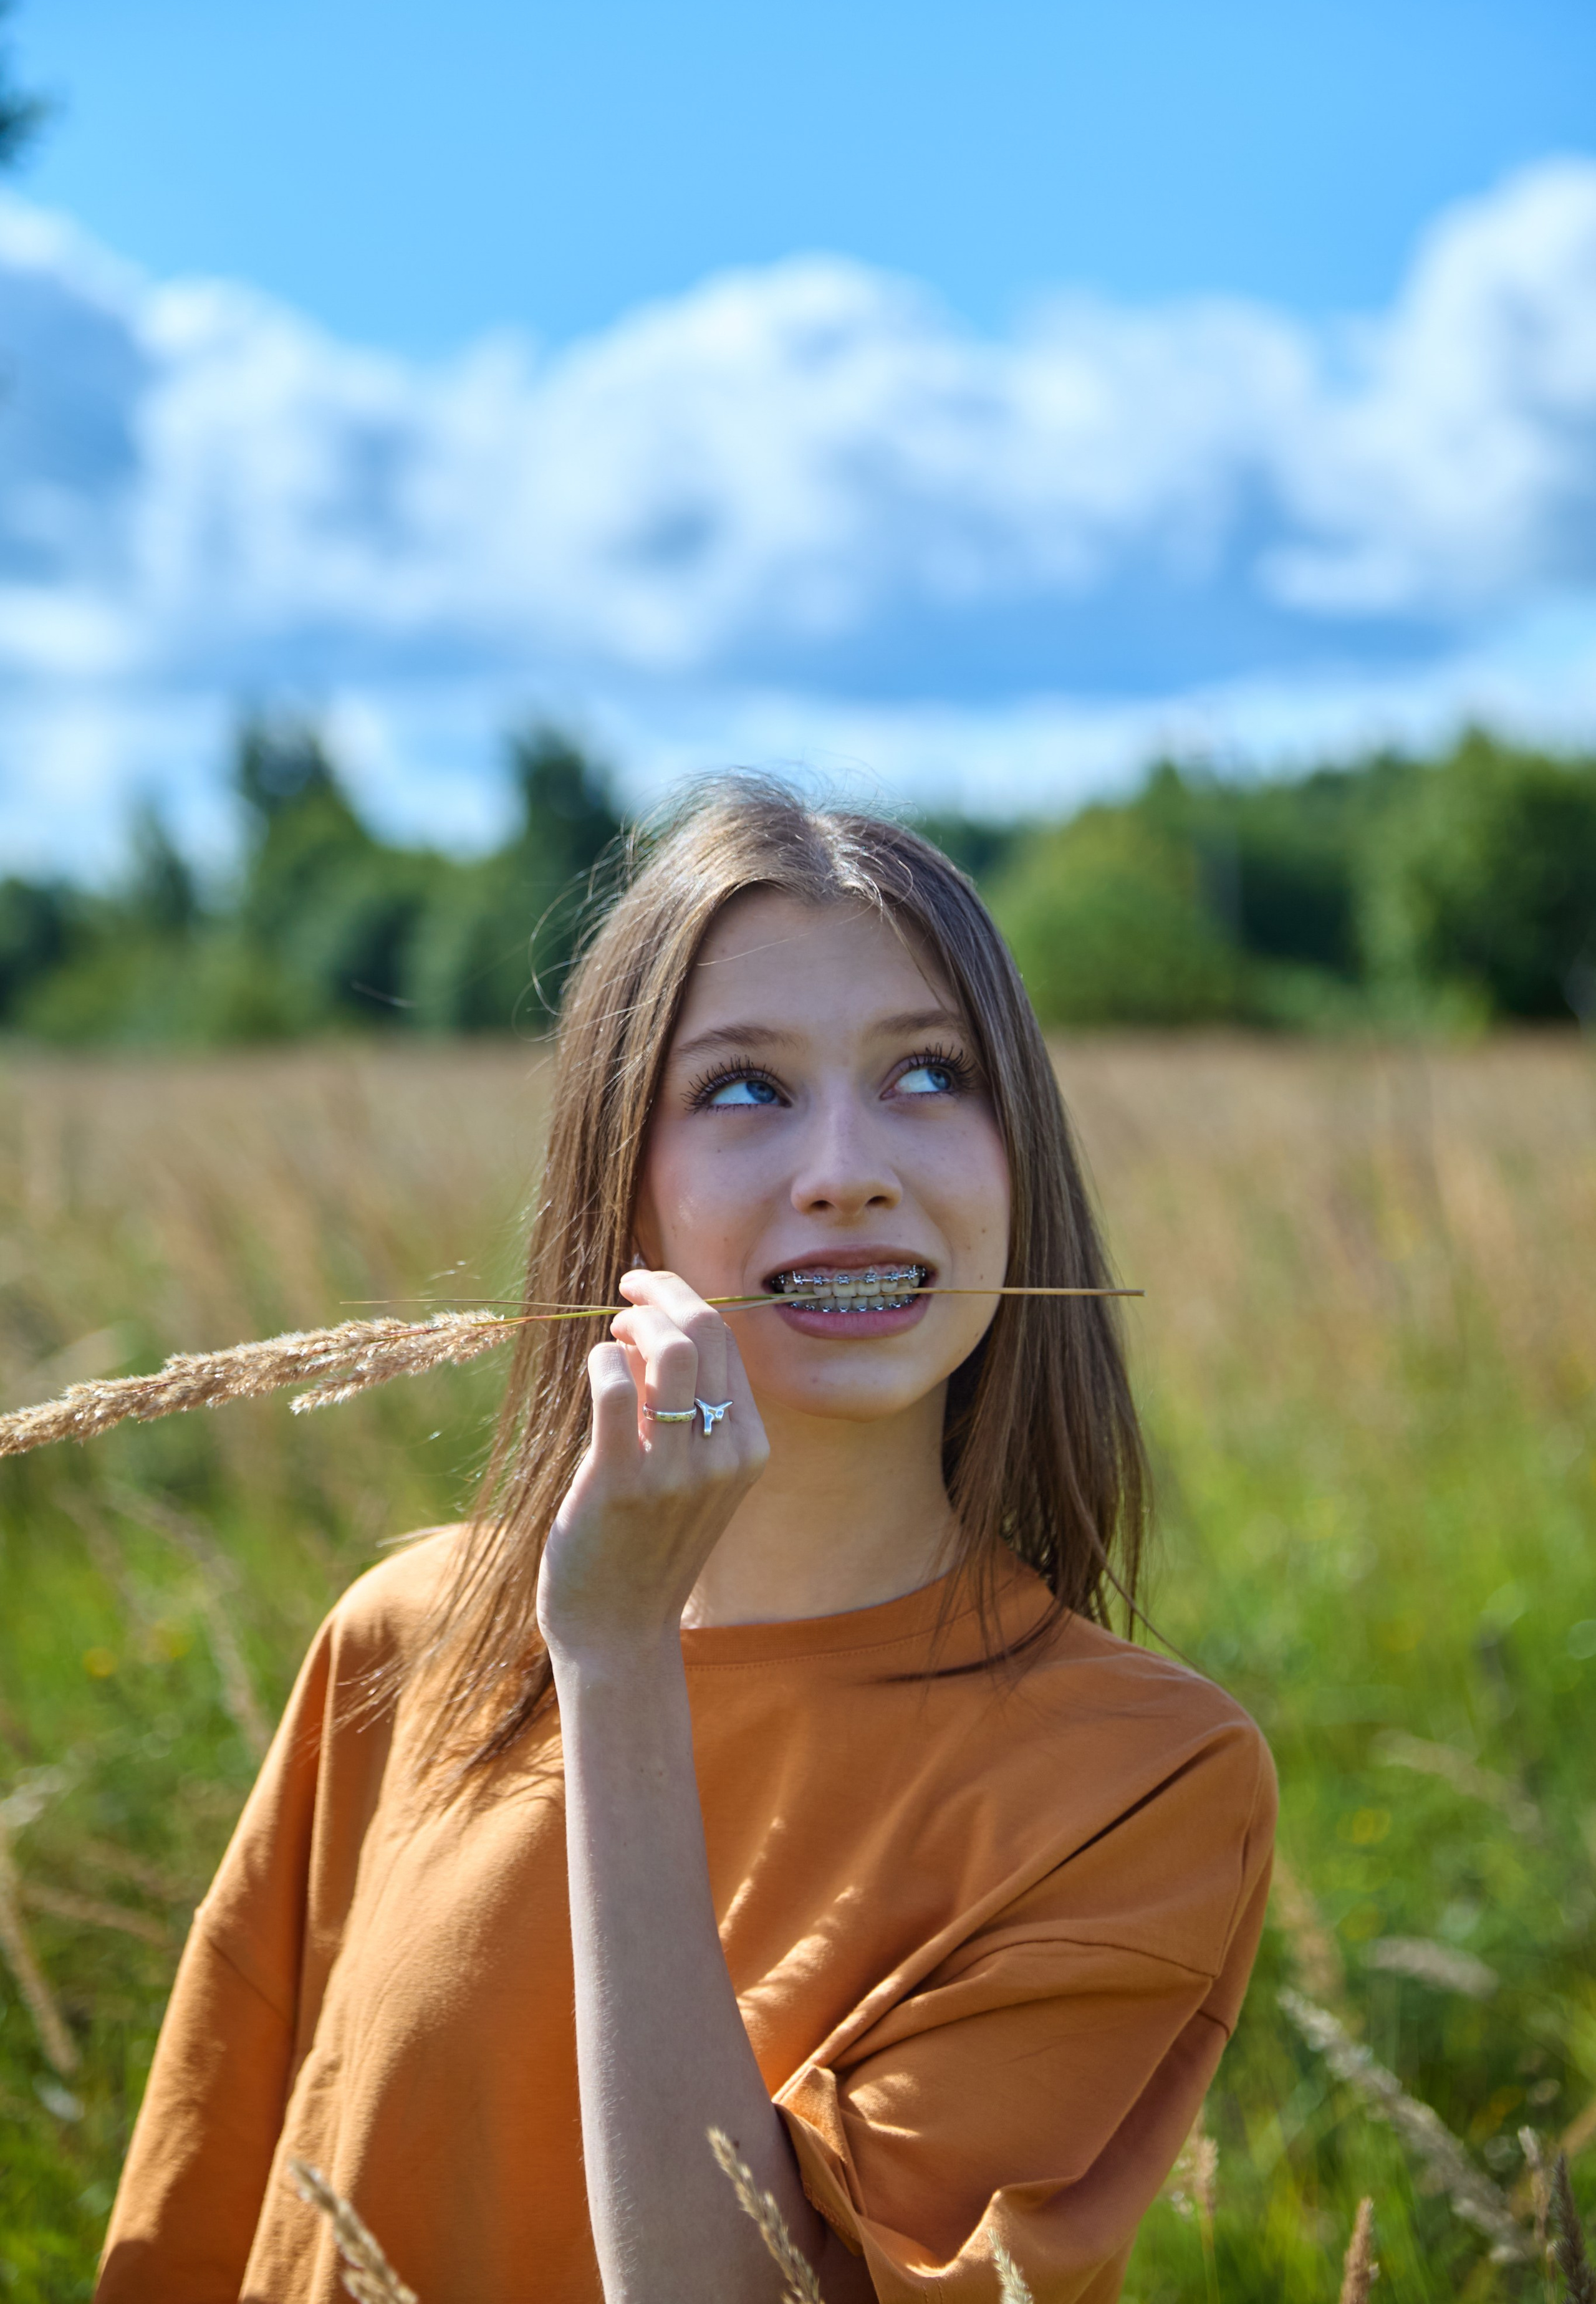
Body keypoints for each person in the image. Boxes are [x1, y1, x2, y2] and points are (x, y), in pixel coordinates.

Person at [97, 781, 1275, 2304]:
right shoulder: (403, 1641)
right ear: (621, 1185)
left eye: (929, 1072)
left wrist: (618, 1662)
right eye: (740, 1090)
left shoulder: (1139, 1783)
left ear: (1017, 1159)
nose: (846, 1165)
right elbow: (193, 2231)